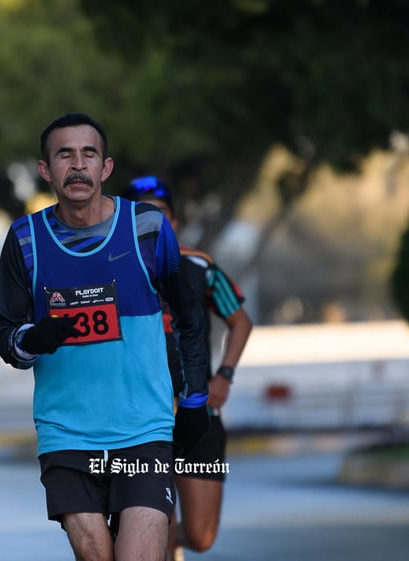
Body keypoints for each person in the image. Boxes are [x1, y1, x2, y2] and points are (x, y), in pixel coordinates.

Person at [0, 113, 211, 561]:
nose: (77, 165)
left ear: (105, 168)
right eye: (64, 155)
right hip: (67, 434)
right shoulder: (25, 241)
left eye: (88, 154)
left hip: (143, 429)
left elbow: (189, 316)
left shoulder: (148, 229)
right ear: (45, 170)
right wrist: (36, 338)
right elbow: (5, 334)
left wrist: (193, 401)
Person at [121, 176, 253, 561]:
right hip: (139, 421)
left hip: (200, 416)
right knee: (151, 528)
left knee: (201, 535)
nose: (154, 225)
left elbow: (240, 321)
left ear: (174, 223)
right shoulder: (113, 271)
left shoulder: (199, 266)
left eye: (160, 216)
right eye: (143, 217)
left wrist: (224, 376)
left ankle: (173, 540)